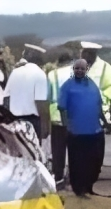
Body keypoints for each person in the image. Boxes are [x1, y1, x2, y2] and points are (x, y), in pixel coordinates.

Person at [58, 59, 104, 198]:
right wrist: (67, 126)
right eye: (77, 68)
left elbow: (98, 106)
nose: (79, 71)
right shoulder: (67, 86)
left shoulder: (92, 85)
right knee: (77, 161)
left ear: (87, 69)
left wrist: (105, 123)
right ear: (73, 69)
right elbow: (62, 108)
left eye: (82, 68)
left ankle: (89, 186)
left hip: (94, 130)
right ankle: (79, 189)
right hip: (76, 131)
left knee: (93, 161)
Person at [4, 44, 50, 140]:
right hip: (32, 122)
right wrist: (45, 125)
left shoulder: (15, 72)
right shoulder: (40, 74)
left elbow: (6, 98)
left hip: (14, 120)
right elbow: (41, 103)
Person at [47, 52, 75, 186]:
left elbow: (48, 96)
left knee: (58, 149)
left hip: (57, 117)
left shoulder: (52, 74)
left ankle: (58, 177)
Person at [81, 42, 111, 126]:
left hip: (99, 112)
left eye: (89, 53)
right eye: (84, 52)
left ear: (94, 53)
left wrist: (103, 96)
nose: (85, 55)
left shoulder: (105, 67)